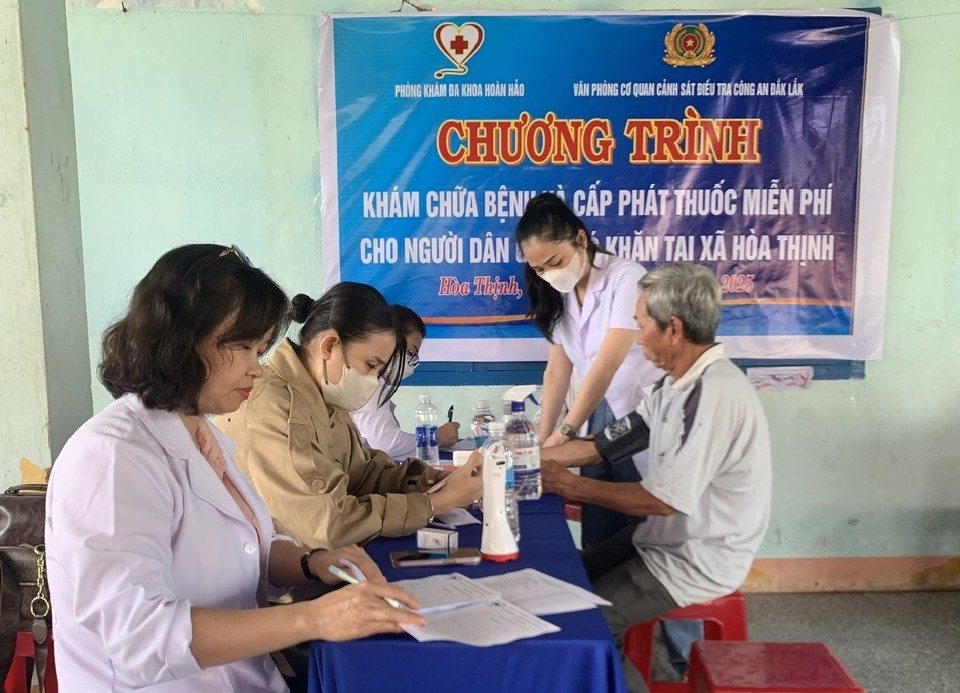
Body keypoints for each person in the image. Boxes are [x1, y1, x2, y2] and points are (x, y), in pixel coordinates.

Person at [45, 245, 424, 692]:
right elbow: (140, 640)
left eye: (260, 349)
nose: (256, 369)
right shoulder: (112, 457)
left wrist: (312, 562)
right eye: (241, 347)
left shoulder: (202, 435)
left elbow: (250, 552)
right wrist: (314, 618)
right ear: (180, 337)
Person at [540, 262, 773, 693]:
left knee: (590, 627)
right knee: (568, 579)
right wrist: (532, 461)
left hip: (697, 555)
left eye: (641, 324)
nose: (636, 335)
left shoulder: (711, 393)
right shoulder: (674, 386)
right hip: (662, 538)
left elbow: (662, 500)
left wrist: (566, 484)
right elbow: (602, 445)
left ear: (674, 329)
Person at [215, 282, 481, 550]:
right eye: (370, 365)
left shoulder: (324, 395)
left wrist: (417, 482)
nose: (373, 380)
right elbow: (327, 526)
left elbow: (361, 475)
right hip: (279, 580)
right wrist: (434, 503)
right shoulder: (275, 407)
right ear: (329, 346)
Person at [516, 192, 661, 549]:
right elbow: (557, 371)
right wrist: (542, 437)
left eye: (555, 261)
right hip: (593, 417)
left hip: (635, 415)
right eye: (539, 269)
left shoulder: (626, 278)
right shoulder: (560, 294)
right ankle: (600, 596)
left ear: (581, 238)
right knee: (599, 524)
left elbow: (607, 364)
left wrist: (563, 432)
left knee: (640, 523)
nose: (549, 274)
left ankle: (637, 598)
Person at [350, 304, 461, 461]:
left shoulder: (377, 383)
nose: (410, 362)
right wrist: (435, 438)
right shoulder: (369, 383)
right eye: (410, 352)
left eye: (414, 356)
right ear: (389, 339)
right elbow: (386, 445)